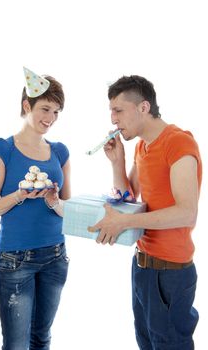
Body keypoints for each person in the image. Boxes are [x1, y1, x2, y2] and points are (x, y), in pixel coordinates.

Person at [88, 75, 202, 350]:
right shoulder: (141, 147)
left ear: (143, 108)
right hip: (142, 267)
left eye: (118, 110)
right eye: (111, 112)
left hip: (171, 273)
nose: (113, 120)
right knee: (146, 343)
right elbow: (129, 199)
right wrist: (118, 163)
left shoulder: (178, 143)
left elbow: (187, 213)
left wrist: (124, 222)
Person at [0, 67, 71, 350]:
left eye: (56, 112)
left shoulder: (60, 152)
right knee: (16, 344)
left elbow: (69, 208)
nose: (51, 118)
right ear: (26, 105)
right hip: (15, 260)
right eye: (45, 109)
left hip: (56, 256)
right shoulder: (2, 151)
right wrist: (20, 194)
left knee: (41, 338)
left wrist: (54, 202)